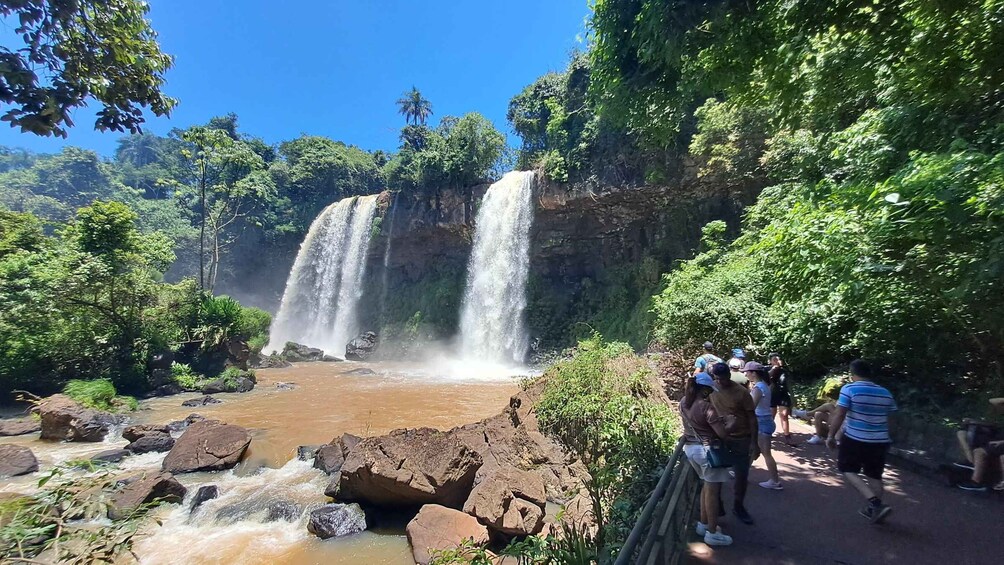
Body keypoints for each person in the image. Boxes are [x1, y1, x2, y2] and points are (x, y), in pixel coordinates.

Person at [826, 360, 897, 524]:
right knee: (874, 474)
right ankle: (874, 510)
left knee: (847, 468)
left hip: (856, 438)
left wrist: (831, 436)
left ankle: (875, 503)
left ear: (852, 373)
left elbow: (840, 413)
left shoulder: (850, 389)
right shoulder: (885, 392)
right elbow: (891, 417)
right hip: (881, 440)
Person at [680, 373, 734, 546]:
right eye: (709, 390)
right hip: (707, 452)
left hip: (690, 449)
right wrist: (730, 423)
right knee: (712, 491)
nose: (710, 393)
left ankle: (703, 525)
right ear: (703, 390)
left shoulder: (683, 403)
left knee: (705, 484)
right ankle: (712, 533)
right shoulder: (705, 407)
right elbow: (723, 434)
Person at [709, 362, 758, 525]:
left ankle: (738, 506)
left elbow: (752, 417)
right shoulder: (711, 390)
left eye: (723, 378)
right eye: (717, 378)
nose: (721, 382)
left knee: (741, 475)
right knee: (717, 473)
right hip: (721, 437)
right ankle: (718, 505)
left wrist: (754, 442)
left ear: (729, 376)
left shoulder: (741, 393)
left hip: (741, 438)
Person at [744, 361, 782, 489]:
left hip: (761, 422)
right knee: (753, 449)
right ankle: (742, 473)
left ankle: (775, 481)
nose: (746, 375)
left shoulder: (759, 388)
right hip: (765, 421)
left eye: (747, 372)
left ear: (753, 373)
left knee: (766, 453)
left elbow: (751, 406)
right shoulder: (763, 385)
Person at [956, 397, 1004, 491]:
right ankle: (970, 462)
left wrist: (1001, 442)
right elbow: (992, 401)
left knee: (980, 452)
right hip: (996, 437)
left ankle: (976, 481)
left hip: (1000, 442)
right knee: (962, 434)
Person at [768, 353, 795, 445]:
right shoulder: (768, 369)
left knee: (784, 415)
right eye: (775, 360)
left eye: (779, 359)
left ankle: (787, 436)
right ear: (770, 361)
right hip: (772, 394)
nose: (778, 361)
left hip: (783, 394)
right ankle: (768, 433)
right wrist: (773, 369)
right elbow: (766, 378)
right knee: (771, 415)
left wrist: (793, 398)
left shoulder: (785, 371)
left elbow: (789, 385)